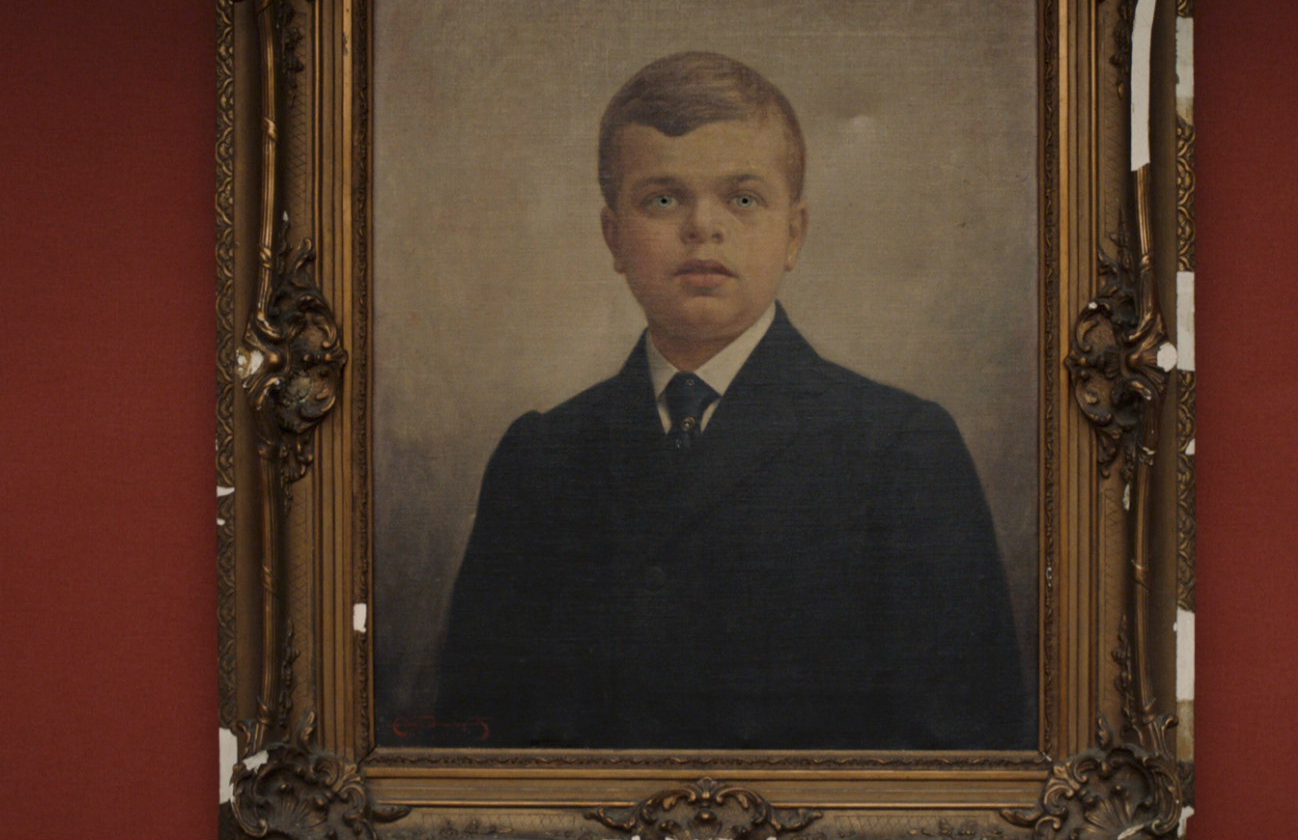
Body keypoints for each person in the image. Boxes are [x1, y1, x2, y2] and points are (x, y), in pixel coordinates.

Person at [435, 51, 1026, 750]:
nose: (703, 227)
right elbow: (473, 739)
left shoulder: (900, 448)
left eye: (743, 199)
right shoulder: (539, 458)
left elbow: (966, 748)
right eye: (663, 199)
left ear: (794, 235)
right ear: (613, 238)